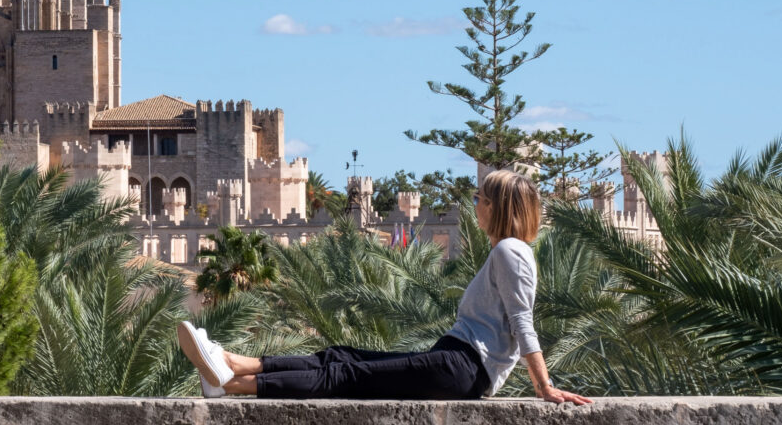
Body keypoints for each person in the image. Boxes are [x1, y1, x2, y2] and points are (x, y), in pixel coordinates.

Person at [177, 169, 591, 405]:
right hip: (455, 362)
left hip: (465, 369)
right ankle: (229, 363)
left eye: (481, 198)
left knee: (348, 375)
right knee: (341, 356)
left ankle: (230, 382)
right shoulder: (506, 251)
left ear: (497, 207)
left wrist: (544, 386)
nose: (476, 205)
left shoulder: (510, 251)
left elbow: (522, 323)